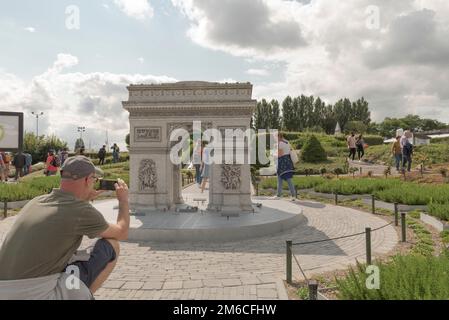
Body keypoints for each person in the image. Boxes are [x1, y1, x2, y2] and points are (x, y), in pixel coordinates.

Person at [0, 156, 130, 299]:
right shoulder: (80, 210)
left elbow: (66, 216)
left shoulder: (37, 201)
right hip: (34, 293)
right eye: (94, 179)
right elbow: (122, 232)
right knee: (111, 245)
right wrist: (123, 200)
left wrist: (84, 198)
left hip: (4, 289)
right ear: (87, 180)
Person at [273, 132, 297, 201]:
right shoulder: (287, 142)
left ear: (278, 137)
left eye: (275, 137)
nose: (274, 139)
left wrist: (273, 154)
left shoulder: (280, 144)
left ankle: (293, 196)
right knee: (281, 178)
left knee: (287, 179)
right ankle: (279, 195)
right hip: (288, 161)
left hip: (282, 162)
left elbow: (279, 154)